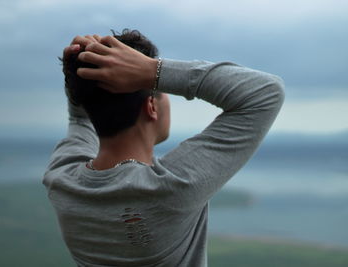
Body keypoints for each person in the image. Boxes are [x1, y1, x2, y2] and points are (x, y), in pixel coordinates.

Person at [43, 29, 284, 267]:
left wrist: (79, 71)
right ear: (152, 106)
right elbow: (265, 92)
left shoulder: (62, 179)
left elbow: (79, 119)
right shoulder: (170, 188)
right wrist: (152, 70)